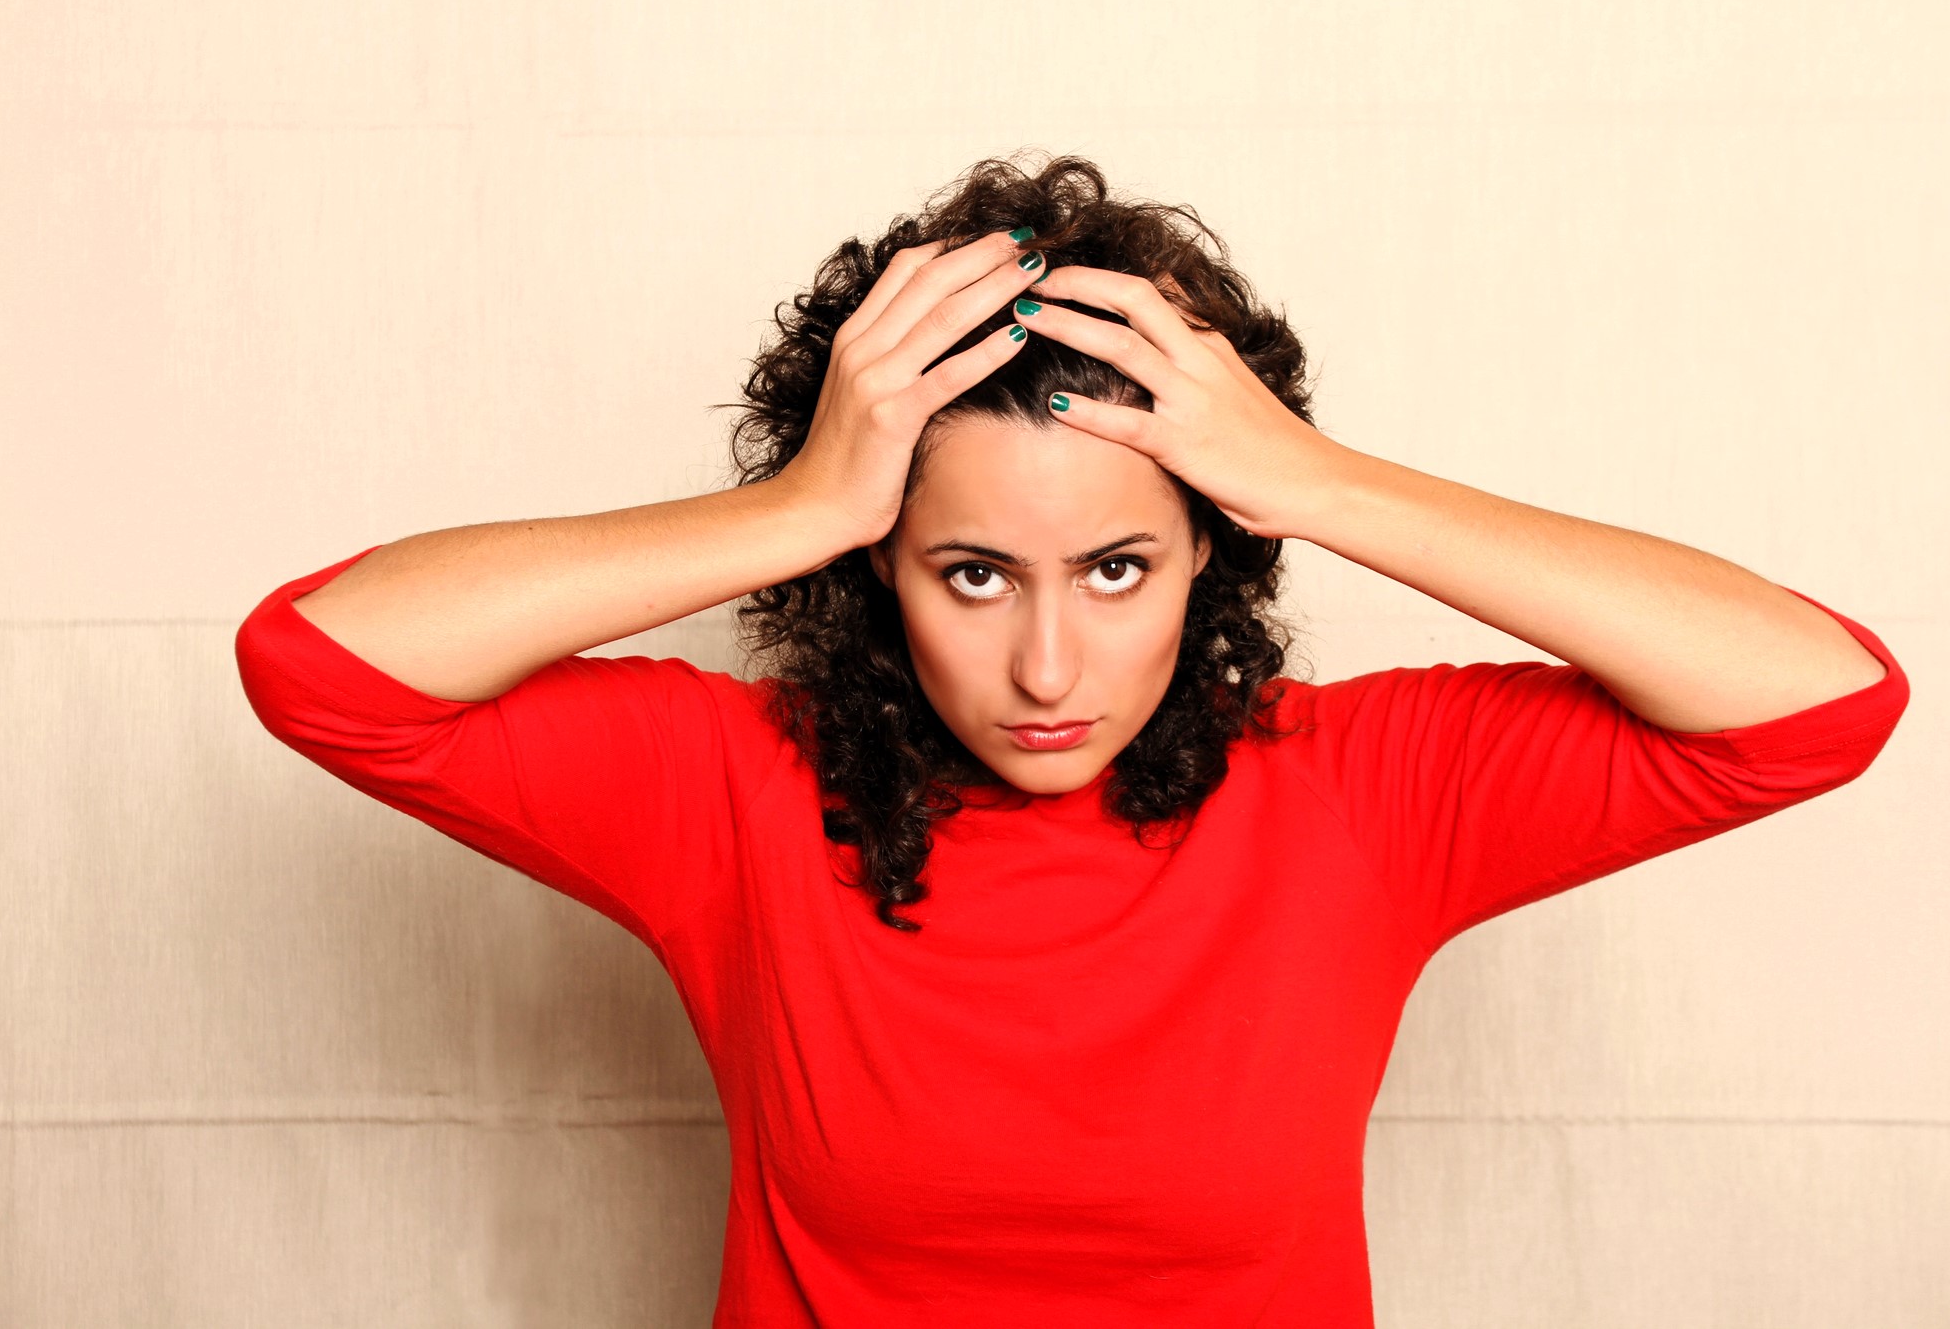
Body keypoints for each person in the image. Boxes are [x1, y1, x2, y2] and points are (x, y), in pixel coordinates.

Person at [234, 155, 1910, 1327]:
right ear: (878, 566)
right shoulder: (740, 793)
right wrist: (799, 500)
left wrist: (1321, 482)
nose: (1049, 661)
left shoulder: (1356, 796)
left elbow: (1819, 694)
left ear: (1208, 555)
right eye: (972, 572)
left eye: (1117, 567)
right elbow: (320, 663)